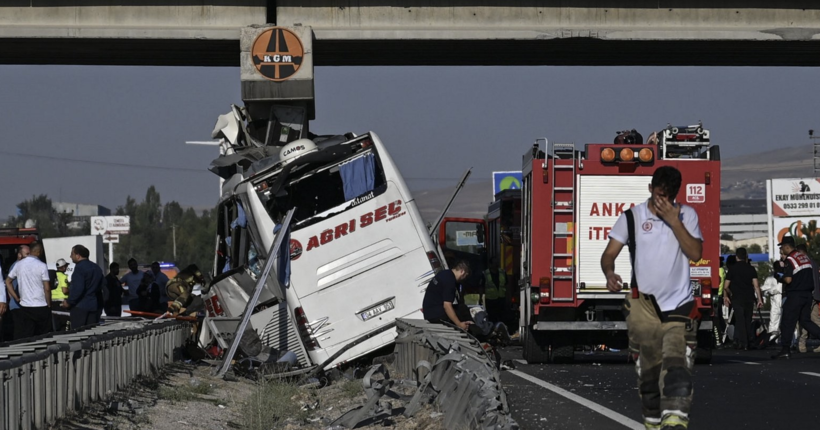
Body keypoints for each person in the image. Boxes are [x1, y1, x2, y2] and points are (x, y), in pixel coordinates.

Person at [601, 166, 702, 430]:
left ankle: (675, 421)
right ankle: (653, 421)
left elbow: (695, 253)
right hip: (643, 306)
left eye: (667, 198)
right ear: (650, 189)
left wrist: (674, 221)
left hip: (678, 305)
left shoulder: (687, 215)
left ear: (675, 195)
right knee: (650, 375)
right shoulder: (632, 218)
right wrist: (610, 273)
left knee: (677, 366)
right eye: (658, 195)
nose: (662, 202)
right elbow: (609, 254)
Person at [772, 237, 820, 359]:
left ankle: (785, 349)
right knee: (805, 321)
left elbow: (788, 279)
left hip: (795, 294)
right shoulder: (805, 258)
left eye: (782, 247)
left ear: (787, 246)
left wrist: (778, 277)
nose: (781, 249)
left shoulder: (790, 259)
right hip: (808, 295)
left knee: (787, 322)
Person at [5, 243, 52, 339]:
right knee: (44, 335)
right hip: (41, 305)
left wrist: (16, 297)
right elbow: (47, 288)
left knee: (26, 335)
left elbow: (8, 281)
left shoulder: (19, 264)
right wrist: (49, 303)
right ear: (39, 252)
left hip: (25, 306)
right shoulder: (42, 265)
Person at [722, 248, 763, 350]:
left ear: (736, 257)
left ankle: (743, 342)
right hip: (749, 298)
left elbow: (726, 286)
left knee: (740, 320)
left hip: (736, 298)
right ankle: (748, 341)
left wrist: (728, 295)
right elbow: (756, 286)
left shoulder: (732, 269)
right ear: (746, 257)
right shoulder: (751, 269)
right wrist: (759, 299)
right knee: (747, 319)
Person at [421, 260, 473, 331]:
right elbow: (447, 306)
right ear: (462, 272)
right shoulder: (450, 281)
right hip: (437, 315)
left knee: (461, 308)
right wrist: (459, 324)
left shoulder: (444, 273)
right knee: (462, 313)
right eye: (465, 276)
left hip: (428, 313)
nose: (464, 279)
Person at [61, 244, 104, 329]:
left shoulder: (79, 268)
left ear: (78, 256)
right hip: (94, 306)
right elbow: (102, 285)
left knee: (78, 334)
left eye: (72, 254)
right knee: (91, 333)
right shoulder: (96, 268)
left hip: (80, 307)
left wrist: (69, 302)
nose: (70, 256)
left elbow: (78, 289)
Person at [796, 243, 820, 353]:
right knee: (815, 320)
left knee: (803, 320)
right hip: (816, 295)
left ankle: (802, 344)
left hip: (807, 295)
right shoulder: (814, 263)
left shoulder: (804, 263)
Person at [482, 256, 508, 323]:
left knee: (502, 317)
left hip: (501, 299)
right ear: (490, 264)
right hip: (491, 300)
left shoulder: (502, 272)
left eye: (497, 263)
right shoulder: (485, 273)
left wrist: (508, 297)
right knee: (492, 318)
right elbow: (481, 287)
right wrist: (481, 298)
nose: (496, 264)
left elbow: (507, 285)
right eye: (494, 263)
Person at [52, 258, 71, 332]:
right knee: (64, 324)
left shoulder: (53, 275)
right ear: (63, 267)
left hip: (52, 302)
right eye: (66, 266)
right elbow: (65, 290)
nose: (66, 268)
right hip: (62, 302)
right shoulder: (63, 276)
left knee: (55, 323)